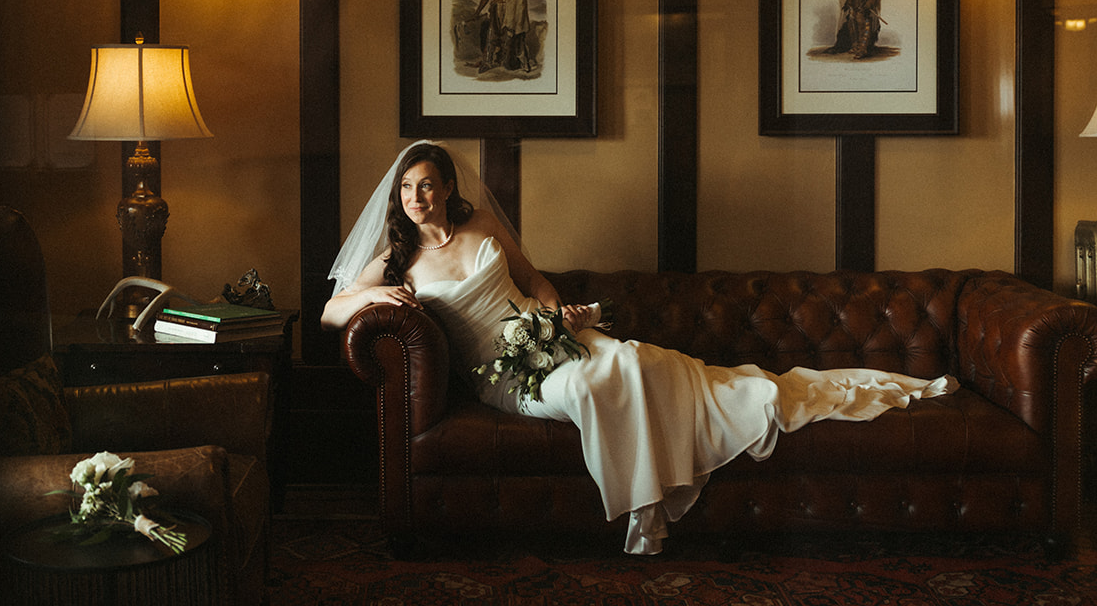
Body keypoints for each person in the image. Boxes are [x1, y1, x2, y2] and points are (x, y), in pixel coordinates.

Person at [323, 140, 956, 555]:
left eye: (428, 185)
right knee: (594, 383)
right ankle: (644, 515)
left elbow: (535, 279)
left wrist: (555, 312)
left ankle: (738, 400)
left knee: (629, 359)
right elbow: (331, 310)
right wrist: (382, 300)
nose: (418, 198)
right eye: (408, 189)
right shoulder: (398, 257)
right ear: (398, 199)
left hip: (552, 336)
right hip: (507, 373)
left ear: (446, 185)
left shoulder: (481, 224)